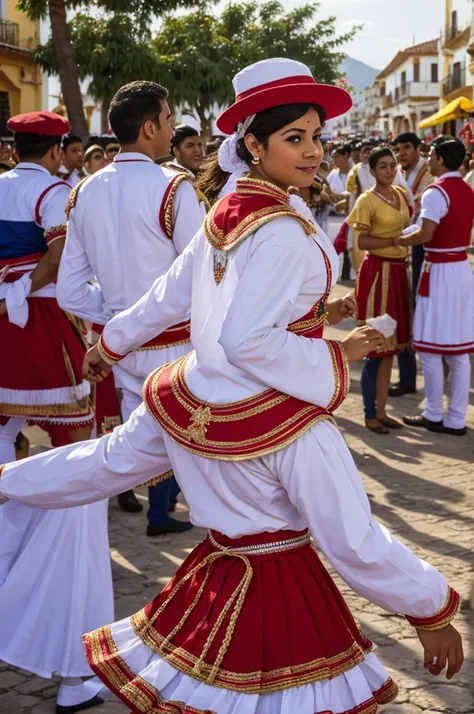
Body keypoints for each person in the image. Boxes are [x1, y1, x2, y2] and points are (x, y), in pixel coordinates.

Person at [0, 59, 464, 714]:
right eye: (294, 138)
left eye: (315, 135)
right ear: (253, 144)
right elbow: (352, 541)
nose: (313, 151)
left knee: (98, 463)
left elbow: (171, 303)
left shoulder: (228, 213)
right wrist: (432, 610)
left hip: (209, 527)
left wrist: (112, 342)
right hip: (286, 609)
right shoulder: (296, 416)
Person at [0, 111, 112, 713]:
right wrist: (19, 290)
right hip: (43, 327)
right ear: (59, 149)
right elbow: (61, 256)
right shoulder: (56, 190)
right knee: (79, 476)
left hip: (4, 326)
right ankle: (73, 662)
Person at [56, 81, 203, 533]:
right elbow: (198, 276)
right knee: (187, 437)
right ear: (149, 127)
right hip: (174, 342)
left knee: (137, 437)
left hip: (117, 345)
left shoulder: (84, 191)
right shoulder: (174, 187)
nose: (173, 126)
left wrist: (118, 314)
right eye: (169, 118)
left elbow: (70, 292)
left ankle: (78, 510)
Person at [400, 139, 474, 436]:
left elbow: (425, 233)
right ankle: (455, 418)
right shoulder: (467, 190)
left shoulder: (436, 191)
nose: (428, 159)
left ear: (441, 159)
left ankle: (433, 412)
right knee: (458, 351)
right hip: (460, 269)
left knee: (429, 348)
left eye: (431, 154)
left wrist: (398, 239)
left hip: (440, 270)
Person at [348, 147, 412, 434]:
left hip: (397, 275)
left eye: (392, 165)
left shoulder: (400, 194)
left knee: (390, 349)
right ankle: (370, 413)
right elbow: (362, 243)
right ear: (371, 171)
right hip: (378, 278)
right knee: (375, 346)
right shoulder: (366, 200)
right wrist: (396, 239)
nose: (389, 170)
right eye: (383, 166)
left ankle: (382, 410)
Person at [390, 132, 436, 398]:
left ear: (419, 149)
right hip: (403, 253)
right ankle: (409, 378)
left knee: (423, 315)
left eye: (407, 147)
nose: (402, 153)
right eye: (398, 149)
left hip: (424, 253)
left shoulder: (432, 175)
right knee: (404, 314)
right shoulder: (397, 174)